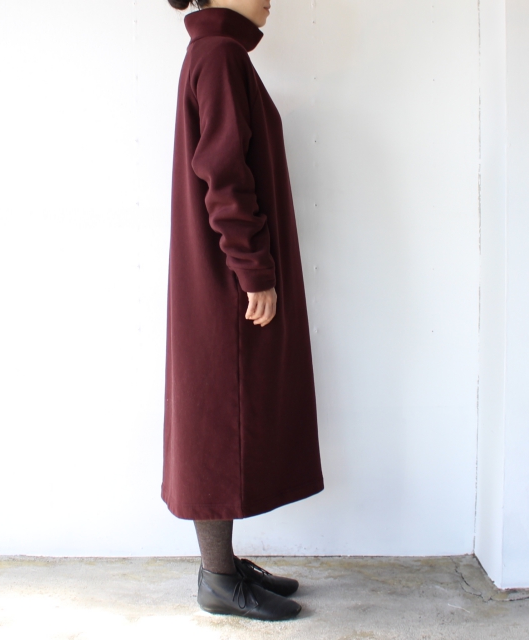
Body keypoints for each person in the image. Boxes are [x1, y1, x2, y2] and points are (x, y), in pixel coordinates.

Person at [163, 0, 325, 621]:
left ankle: (225, 566)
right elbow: (224, 174)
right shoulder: (220, 55)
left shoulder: (216, 54)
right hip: (226, 277)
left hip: (220, 273)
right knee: (217, 417)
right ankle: (217, 579)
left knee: (226, 411)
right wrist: (253, 269)